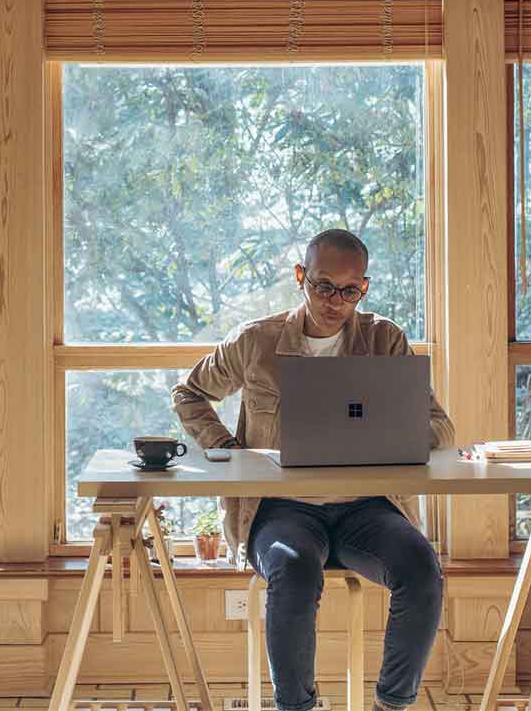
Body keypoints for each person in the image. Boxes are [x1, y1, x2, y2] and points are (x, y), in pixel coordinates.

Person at [172, 228, 455, 711]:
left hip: (368, 507)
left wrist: (392, 437)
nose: (335, 301)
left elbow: (439, 428)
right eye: (323, 286)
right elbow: (189, 392)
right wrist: (227, 447)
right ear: (301, 277)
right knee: (294, 570)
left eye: (350, 290)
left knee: (422, 569)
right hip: (282, 511)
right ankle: (296, 706)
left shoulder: (384, 340)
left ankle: (393, 703)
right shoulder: (255, 341)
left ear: (363, 287)